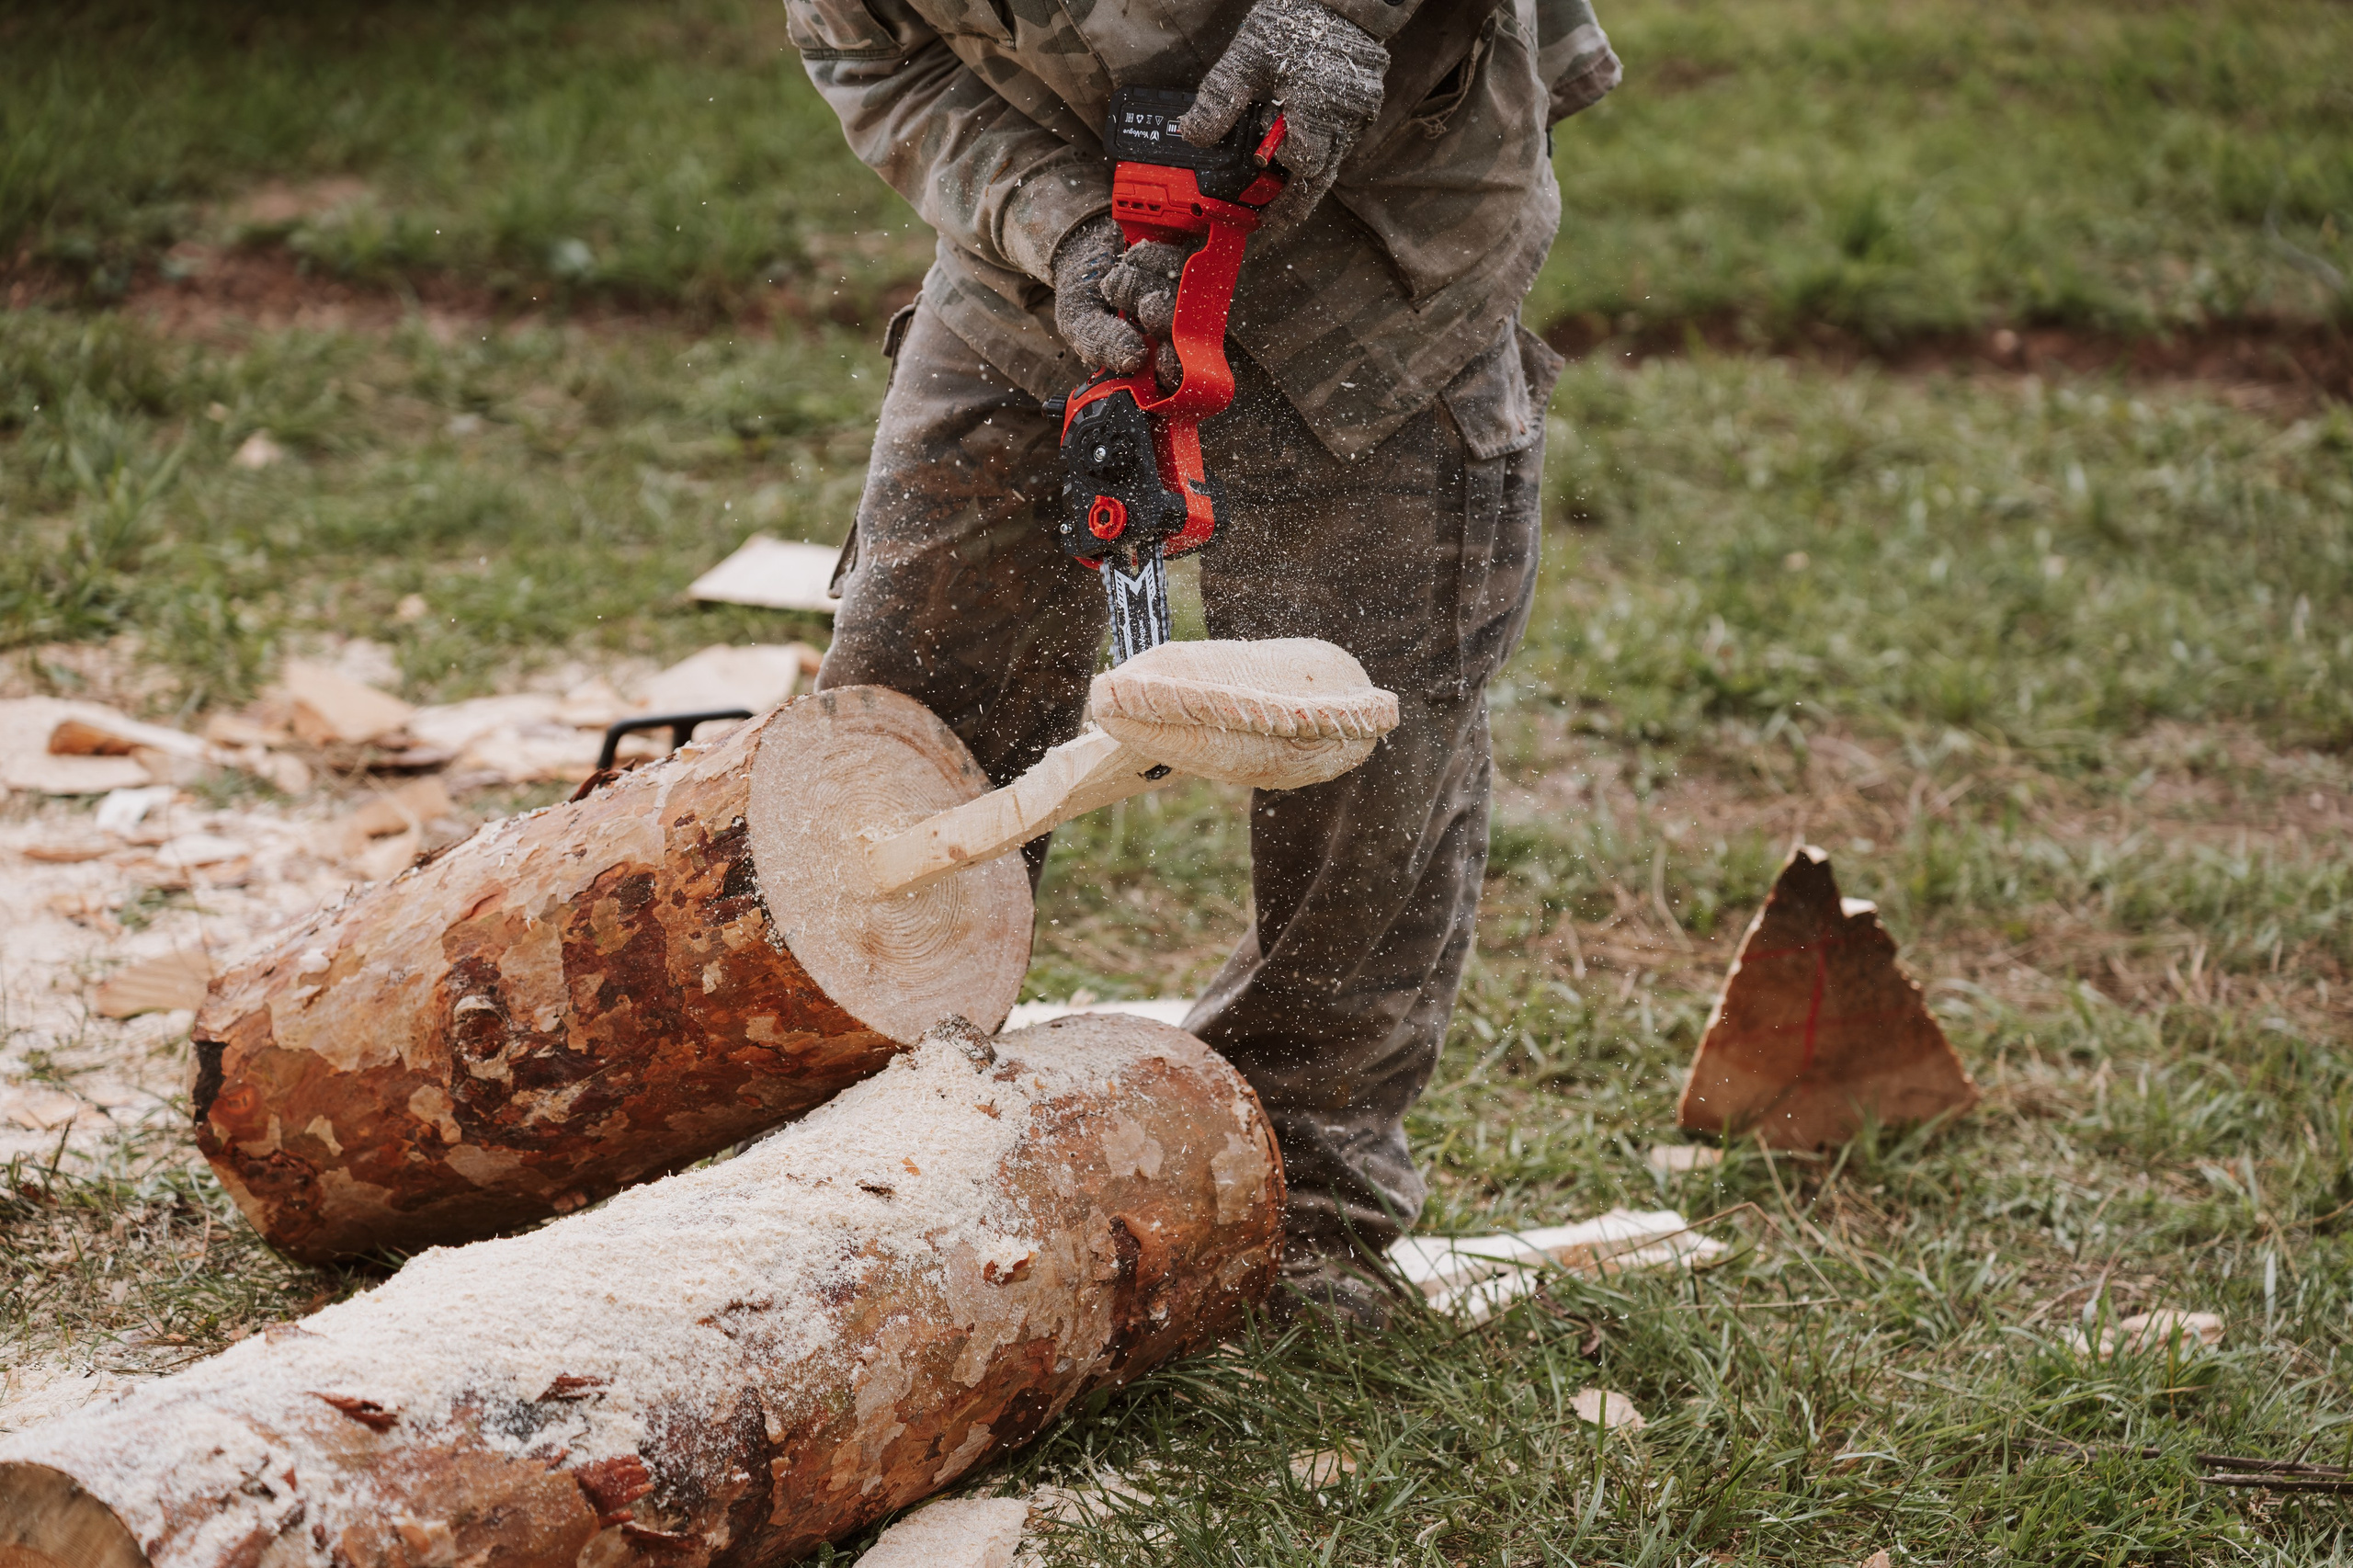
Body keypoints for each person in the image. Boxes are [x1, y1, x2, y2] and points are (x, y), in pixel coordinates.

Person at [790, 0, 1620, 1327]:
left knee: (1369, 725)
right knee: (911, 684)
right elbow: (870, 57)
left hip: (1385, 233)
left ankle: (1303, 1192)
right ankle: (872, 1139)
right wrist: (1059, 225)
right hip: (1046, 242)